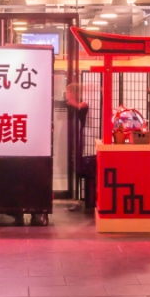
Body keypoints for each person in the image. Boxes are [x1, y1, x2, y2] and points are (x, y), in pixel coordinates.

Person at [66, 82, 95, 212]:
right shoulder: (78, 103)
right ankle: (80, 200)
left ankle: (86, 201)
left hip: (88, 138)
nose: (67, 94)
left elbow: (80, 106)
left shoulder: (85, 102)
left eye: (69, 91)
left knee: (85, 168)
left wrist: (71, 101)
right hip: (82, 136)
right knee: (79, 166)